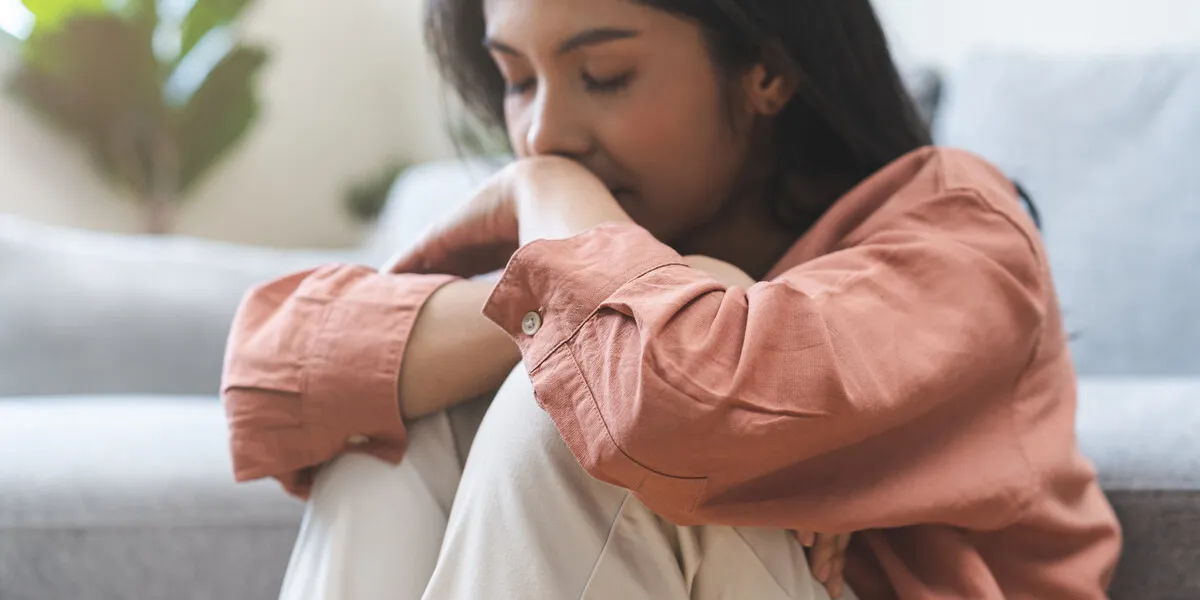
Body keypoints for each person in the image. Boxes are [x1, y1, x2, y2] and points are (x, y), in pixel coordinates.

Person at [221, 0, 1122, 598]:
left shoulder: (957, 228)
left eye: (603, 76)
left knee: (588, 419)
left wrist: (545, 215)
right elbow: (277, 376)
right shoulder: (575, 231)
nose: (543, 134)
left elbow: (668, 402)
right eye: (517, 81)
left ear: (766, 69)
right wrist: (618, 286)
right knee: (399, 427)